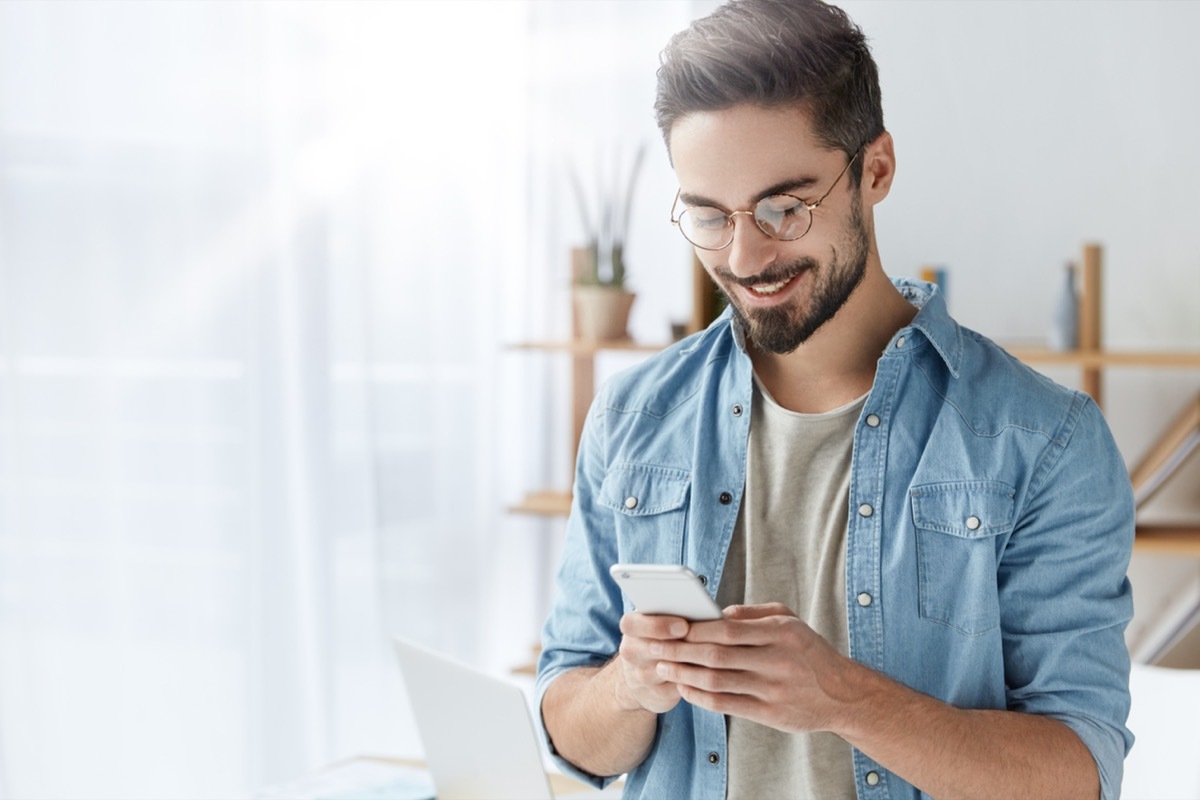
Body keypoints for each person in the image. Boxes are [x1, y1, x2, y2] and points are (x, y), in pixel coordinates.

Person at [535, 1, 1135, 798]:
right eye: (710, 216)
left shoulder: (1043, 440)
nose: (746, 256)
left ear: (875, 170)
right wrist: (629, 685)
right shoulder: (632, 418)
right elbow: (569, 731)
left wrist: (844, 699)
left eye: (785, 207)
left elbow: (1079, 775)